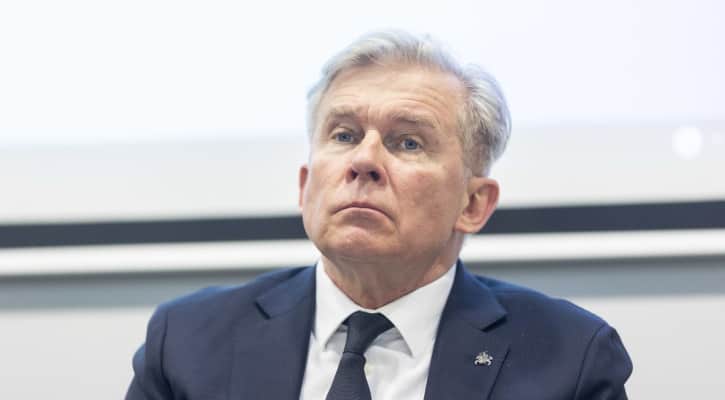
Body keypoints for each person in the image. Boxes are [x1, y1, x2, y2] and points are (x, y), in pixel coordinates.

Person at [126, 30, 632, 400]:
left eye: (408, 142)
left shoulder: (570, 359)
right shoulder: (187, 341)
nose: (363, 160)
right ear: (305, 186)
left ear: (473, 204)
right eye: (344, 135)